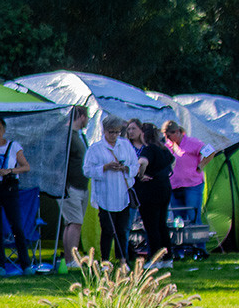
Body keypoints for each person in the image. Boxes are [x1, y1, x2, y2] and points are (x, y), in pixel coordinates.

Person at [0, 118, 33, 274]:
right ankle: (0, 266)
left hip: (9, 186)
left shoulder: (14, 146)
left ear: (4, 130)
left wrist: (10, 171)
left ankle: (25, 264)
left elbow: (26, 166)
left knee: (16, 225)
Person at [83, 115, 139, 265]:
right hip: (105, 195)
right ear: (104, 131)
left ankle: (123, 261)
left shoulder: (125, 145)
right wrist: (105, 167)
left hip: (122, 194)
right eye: (111, 132)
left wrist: (125, 168)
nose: (114, 135)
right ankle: (105, 262)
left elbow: (135, 165)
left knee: (122, 230)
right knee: (107, 230)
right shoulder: (95, 148)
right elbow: (87, 170)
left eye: (117, 132)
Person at [135, 123, 175, 268]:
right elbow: (172, 161)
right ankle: (167, 258)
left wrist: (140, 175)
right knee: (162, 224)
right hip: (164, 188)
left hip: (150, 191)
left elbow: (142, 162)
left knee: (151, 225)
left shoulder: (149, 149)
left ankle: (154, 259)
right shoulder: (163, 148)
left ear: (143, 135)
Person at [162, 120, 215, 224]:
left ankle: (197, 234)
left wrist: (201, 166)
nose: (168, 139)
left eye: (169, 136)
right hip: (174, 186)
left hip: (192, 185)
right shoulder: (167, 146)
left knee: (192, 216)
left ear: (177, 132)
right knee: (178, 220)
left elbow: (210, 151)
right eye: (165, 136)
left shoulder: (192, 142)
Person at [63, 107, 90, 267]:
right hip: (70, 186)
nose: (88, 121)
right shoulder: (67, 136)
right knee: (75, 222)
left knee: (72, 222)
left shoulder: (80, 136)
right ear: (81, 116)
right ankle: (72, 260)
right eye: (87, 117)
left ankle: (69, 259)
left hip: (82, 186)